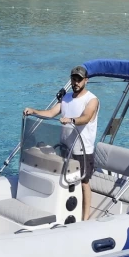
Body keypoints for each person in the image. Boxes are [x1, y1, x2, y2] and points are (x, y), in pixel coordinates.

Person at [24, 65, 99, 221]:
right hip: (65, 147)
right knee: (65, 179)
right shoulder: (66, 98)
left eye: (79, 79)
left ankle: (86, 218)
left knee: (84, 182)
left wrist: (71, 120)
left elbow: (86, 117)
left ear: (86, 81)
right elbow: (51, 113)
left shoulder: (91, 100)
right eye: (74, 79)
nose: (76, 82)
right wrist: (34, 111)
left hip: (82, 150)